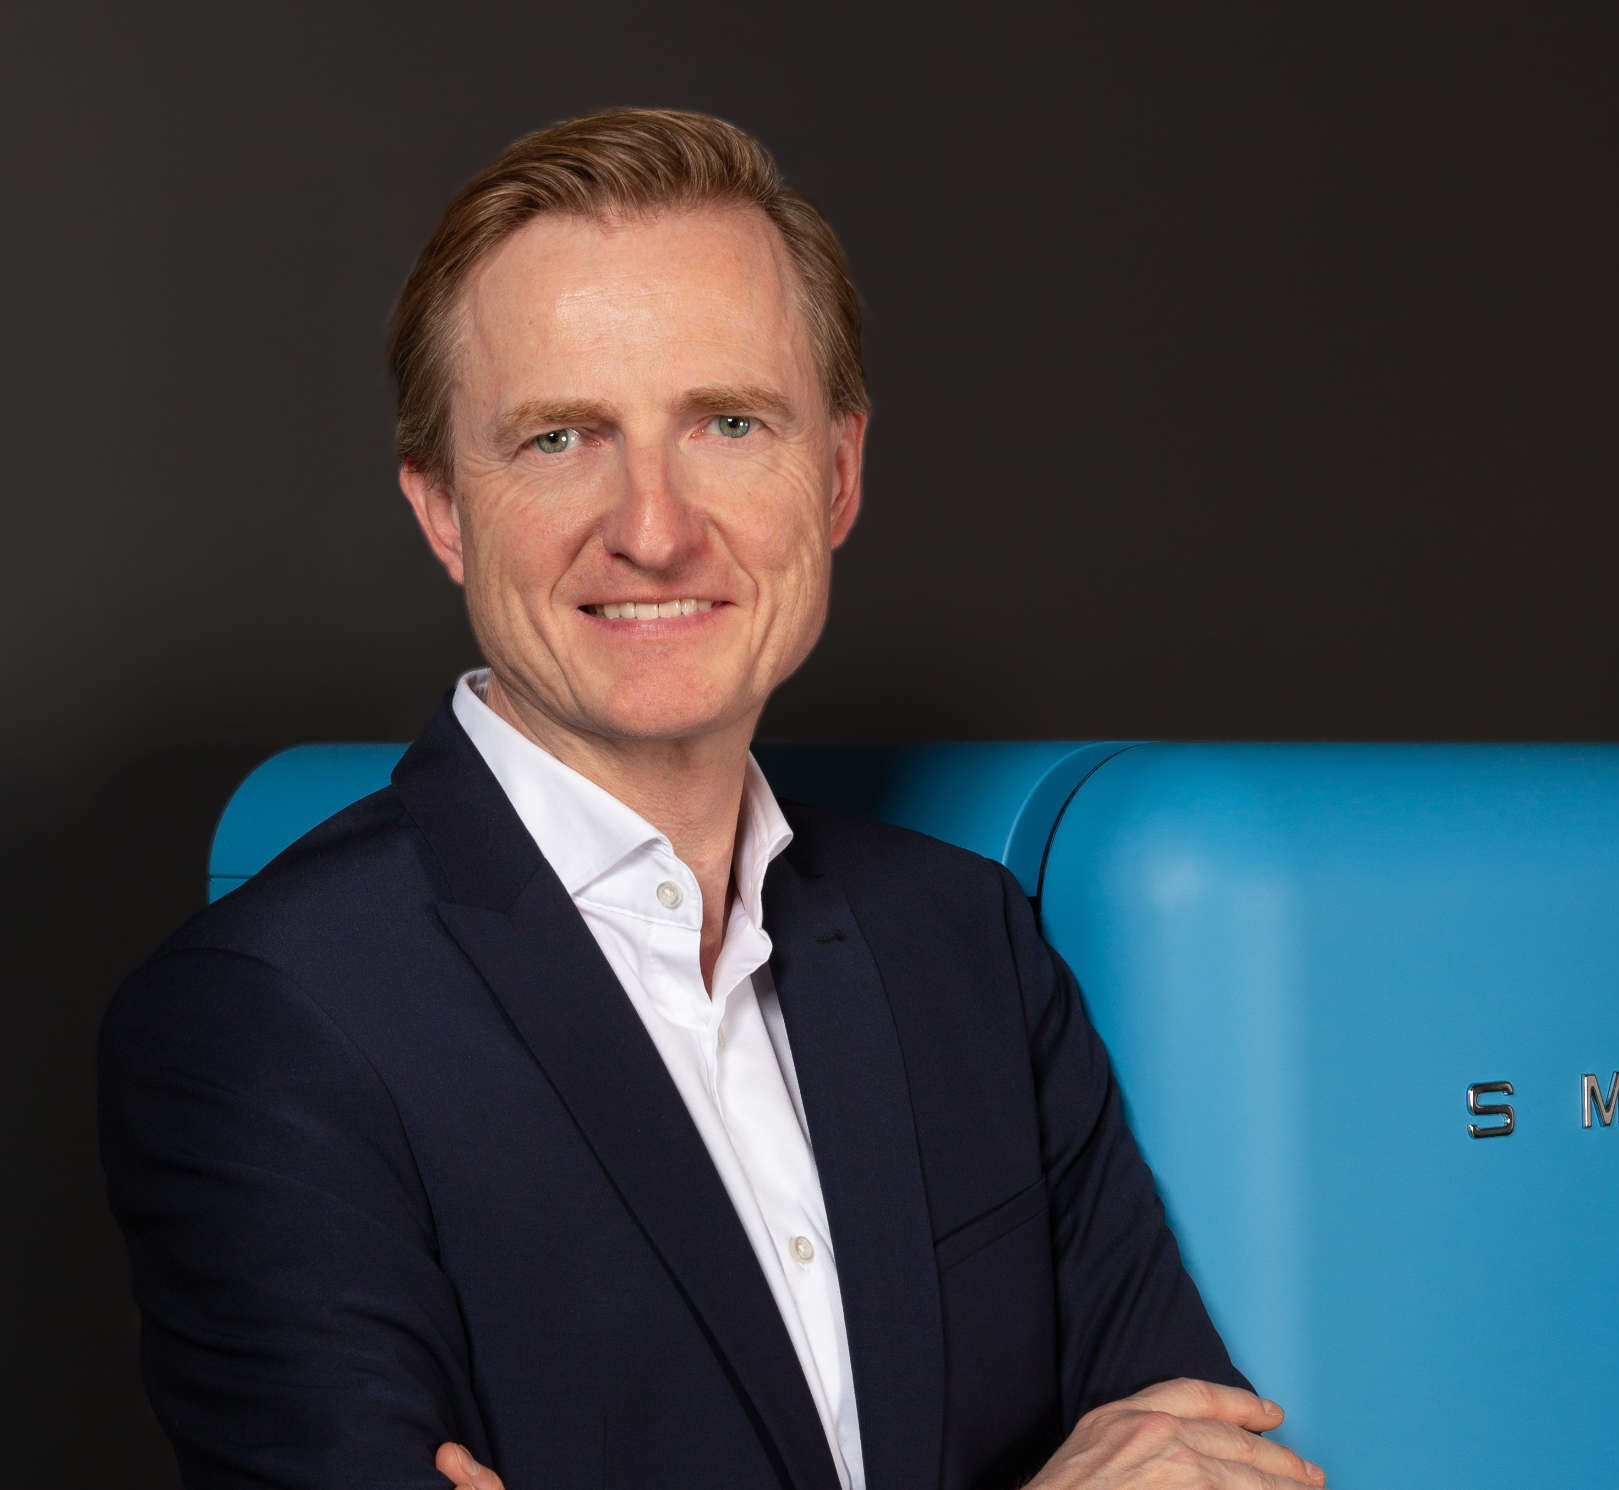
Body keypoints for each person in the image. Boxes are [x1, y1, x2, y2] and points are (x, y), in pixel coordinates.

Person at [99, 108, 1325, 1490]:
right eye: (559, 438)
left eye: (730, 423)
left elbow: (1211, 1462)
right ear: (442, 508)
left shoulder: (966, 945)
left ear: (838, 475)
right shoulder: (269, 1020)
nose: (655, 528)